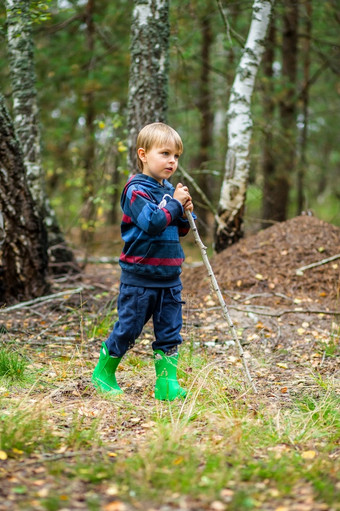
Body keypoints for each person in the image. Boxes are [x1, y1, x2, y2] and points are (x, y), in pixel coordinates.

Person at [92, 122, 194, 401]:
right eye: (164, 154)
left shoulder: (168, 190)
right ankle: (103, 372)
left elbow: (180, 229)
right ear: (143, 154)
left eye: (176, 156)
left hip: (169, 279)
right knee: (128, 329)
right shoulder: (135, 190)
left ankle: (166, 384)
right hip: (140, 278)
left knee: (170, 332)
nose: (171, 161)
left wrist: (185, 212)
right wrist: (173, 204)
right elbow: (152, 222)